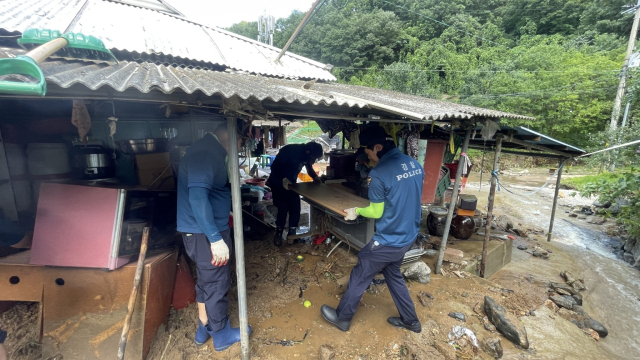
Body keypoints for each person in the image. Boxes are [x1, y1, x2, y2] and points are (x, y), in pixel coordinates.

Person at [320, 126, 424, 333]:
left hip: (389, 240)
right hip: (408, 236)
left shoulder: (380, 174)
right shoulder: (413, 164)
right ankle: (411, 321)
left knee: (360, 273)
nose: (368, 156)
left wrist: (355, 210)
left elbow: (376, 212)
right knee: (393, 274)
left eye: (368, 152)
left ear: (377, 147)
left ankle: (342, 318)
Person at [177, 125, 250, 351]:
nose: (239, 149)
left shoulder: (209, 151)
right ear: (230, 137)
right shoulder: (206, 154)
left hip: (201, 231)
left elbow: (208, 193)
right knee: (217, 281)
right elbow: (198, 198)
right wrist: (215, 238)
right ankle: (221, 334)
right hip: (204, 234)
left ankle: (204, 327)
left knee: (206, 280)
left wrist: (222, 211)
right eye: (240, 143)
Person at [266, 141, 324, 246]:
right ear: (308, 152)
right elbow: (275, 167)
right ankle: (278, 234)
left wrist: (315, 178)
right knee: (283, 207)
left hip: (291, 184)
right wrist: (283, 179)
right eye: (313, 158)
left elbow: (309, 168)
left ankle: (292, 235)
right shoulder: (290, 151)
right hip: (278, 182)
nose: (313, 160)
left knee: (295, 206)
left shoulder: (306, 156)